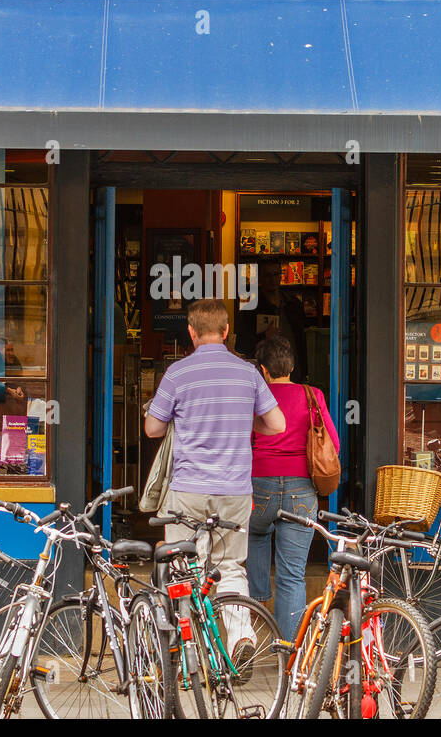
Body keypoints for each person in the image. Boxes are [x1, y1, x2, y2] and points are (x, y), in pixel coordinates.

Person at [144, 298, 286, 659]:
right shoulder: (249, 373)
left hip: (187, 490)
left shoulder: (177, 373)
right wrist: (244, 421)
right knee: (229, 566)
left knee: (184, 566)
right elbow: (277, 424)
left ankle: (186, 648)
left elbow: (152, 429)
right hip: (235, 491)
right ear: (226, 332)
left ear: (190, 333)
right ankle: (240, 637)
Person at [248, 335, 340, 641]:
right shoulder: (312, 395)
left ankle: (256, 601)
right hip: (301, 490)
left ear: (263, 369)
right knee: (292, 576)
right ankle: (288, 651)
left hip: (259, 484)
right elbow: (333, 444)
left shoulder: (255, 396)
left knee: (254, 532)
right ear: (292, 365)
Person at [235, 258, 308, 382]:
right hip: (266, 375)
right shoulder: (250, 310)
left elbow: (302, 340)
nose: (273, 280)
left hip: (294, 372)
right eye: (268, 275)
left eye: (276, 274)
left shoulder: (293, 304)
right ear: (259, 278)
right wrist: (264, 337)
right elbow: (241, 346)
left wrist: (305, 371)